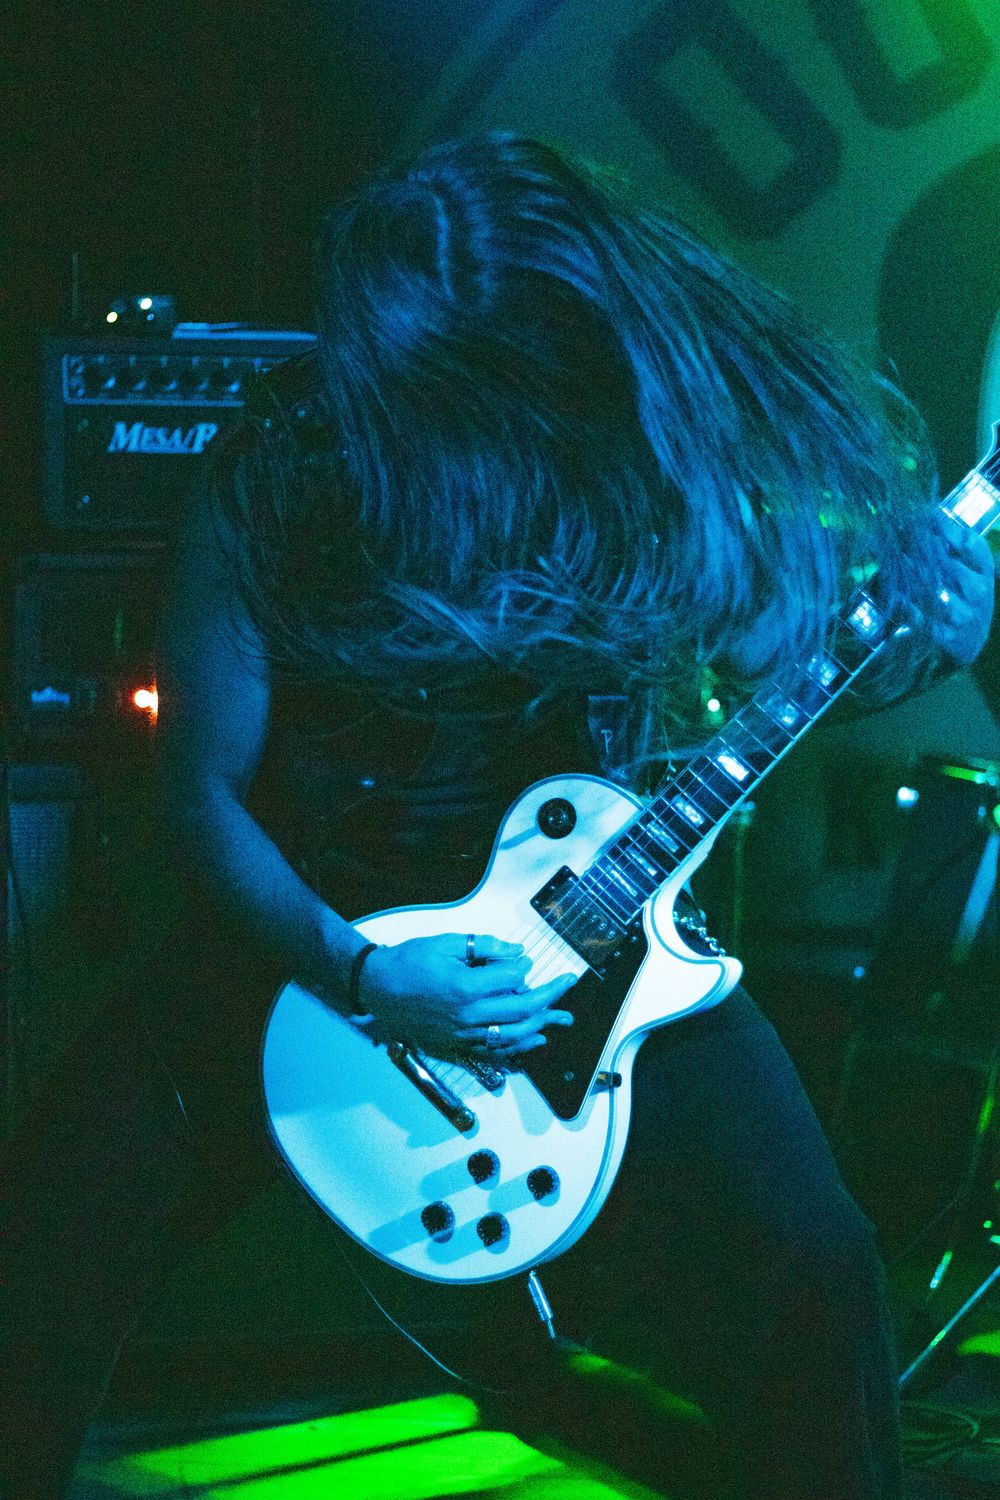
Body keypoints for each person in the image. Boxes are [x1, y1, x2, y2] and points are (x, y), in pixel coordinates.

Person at [4, 131, 994, 1500]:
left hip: (592, 931)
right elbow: (202, 791)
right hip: (307, 925)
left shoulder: (643, 458)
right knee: (44, 1245)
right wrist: (360, 971)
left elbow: (789, 673)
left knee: (817, 1271)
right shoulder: (289, 461)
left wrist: (938, 642)